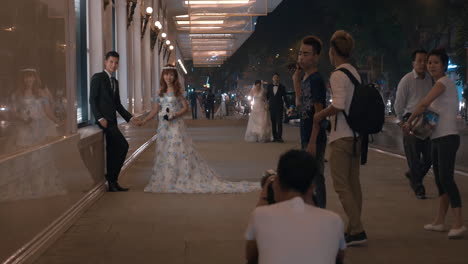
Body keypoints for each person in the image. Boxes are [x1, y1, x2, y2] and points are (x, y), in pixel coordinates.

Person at [141, 65, 259, 193]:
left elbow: (185, 108)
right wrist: (143, 120)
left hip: (176, 125)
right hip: (163, 128)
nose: (168, 77)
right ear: (162, 75)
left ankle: (180, 178)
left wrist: (175, 114)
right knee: (165, 151)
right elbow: (154, 110)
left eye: (171, 74)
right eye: (166, 74)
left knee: (177, 149)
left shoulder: (178, 91)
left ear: (175, 77)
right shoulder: (159, 92)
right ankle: (167, 178)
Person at [402, 48, 466, 239]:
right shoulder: (438, 84)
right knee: (439, 181)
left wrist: (408, 121)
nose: (431, 66)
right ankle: (440, 221)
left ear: (444, 65)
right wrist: (415, 125)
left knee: (447, 179)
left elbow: (423, 104)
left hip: (448, 138)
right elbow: (430, 113)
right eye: (429, 62)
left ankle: (458, 223)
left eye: (436, 62)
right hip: (437, 138)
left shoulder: (443, 83)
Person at [313, 30, 367, 246]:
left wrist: (320, 114)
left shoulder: (337, 74)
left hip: (342, 137)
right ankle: (353, 228)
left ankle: (358, 229)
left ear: (333, 51)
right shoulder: (354, 72)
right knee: (354, 185)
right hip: (356, 136)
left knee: (341, 185)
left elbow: (339, 105)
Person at [245, 150, 346, 264]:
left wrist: (264, 194)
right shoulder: (334, 220)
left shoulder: (260, 215)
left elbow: (251, 257)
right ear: (312, 187)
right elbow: (339, 258)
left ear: (277, 183)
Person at [89, 51, 140, 192]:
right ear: (105, 62)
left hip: (112, 121)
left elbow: (117, 104)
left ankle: (113, 182)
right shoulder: (97, 78)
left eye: (116, 63)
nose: (113, 65)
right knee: (123, 146)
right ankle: (111, 177)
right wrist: (100, 118)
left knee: (112, 152)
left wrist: (130, 118)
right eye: (111, 62)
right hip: (103, 122)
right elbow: (92, 100)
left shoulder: (115, 82)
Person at [292, 35, 327, 208]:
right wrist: (295, 80)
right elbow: (300, 103)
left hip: (315, 137)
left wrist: (313, 142)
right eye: (300, 53)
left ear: (315, 57)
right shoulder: (306, 79)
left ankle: (320, 212)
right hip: (305, 134)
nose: (301, 57)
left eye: (306, 54)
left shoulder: (316, 80)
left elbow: (319, 114)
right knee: (308, 176)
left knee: (317, 177)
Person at [394, 49, 433, 199]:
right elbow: (399, 104)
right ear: (413, 63)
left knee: (430, 156)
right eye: (420, 61)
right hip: (410, 120)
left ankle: (413, 176)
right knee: (414, 157)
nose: (423, 64)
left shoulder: (430, 80)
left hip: (427, 120)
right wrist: (402, 122)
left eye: (426, 61)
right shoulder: (407, 80)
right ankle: (418, 187)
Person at [12, 69, 60, 148]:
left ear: (35, 78)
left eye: (30, 76)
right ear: (23, 79)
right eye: (26, 77)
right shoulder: (18, 94)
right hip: (25, 127)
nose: (28, 79)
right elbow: (15, 111)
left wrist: (57, 120)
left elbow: (47, 111)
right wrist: (23, 117)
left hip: (40, 126)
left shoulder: (41, 92)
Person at [266, 73, 290, 142]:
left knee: (279, 122)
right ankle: (275, 137)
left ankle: (280, 137)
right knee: (273, 123)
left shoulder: (282, 87)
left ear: (278, 78)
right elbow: (267, 97)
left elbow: (285, 98)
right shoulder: (269, 86)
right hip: (272, 107)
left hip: (279, 107)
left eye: (277, 77)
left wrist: (288, 107)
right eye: (274, 77)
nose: (276, 79)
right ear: (272, 78)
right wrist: (264, 104)